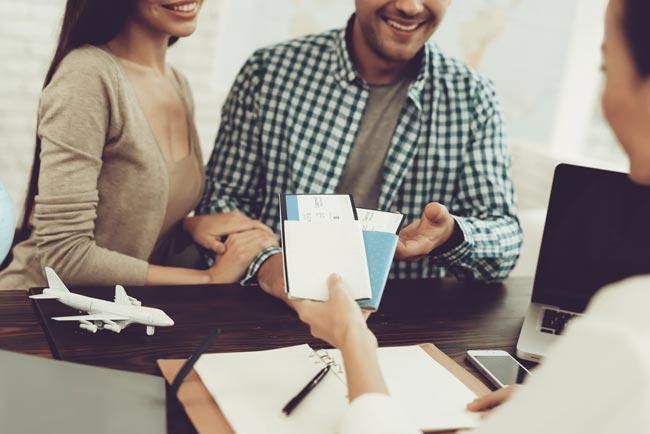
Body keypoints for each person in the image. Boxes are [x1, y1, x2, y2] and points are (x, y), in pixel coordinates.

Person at [294, 0, 650, 432]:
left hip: (389, 340)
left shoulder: (627, 325)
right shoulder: (275, 72)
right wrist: (557, 402)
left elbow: (502, 234)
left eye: (605, 67)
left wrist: (354, 341)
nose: (409, 5)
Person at [194, 0, 523, 300]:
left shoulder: (473, 97)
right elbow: (221, 203)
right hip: (263, 308)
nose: (410, 7)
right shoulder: (269, 72)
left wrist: (450, 235)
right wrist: (271, 267)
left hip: (402, 323)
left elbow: (503, 242)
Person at [0, 0, 277, 290]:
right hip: (35, 311)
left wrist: (188, 227)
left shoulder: (176, 83)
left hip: (109, 316)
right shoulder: (87, 75)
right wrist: (209, 278)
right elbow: (64, 257)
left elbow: (130, 230)